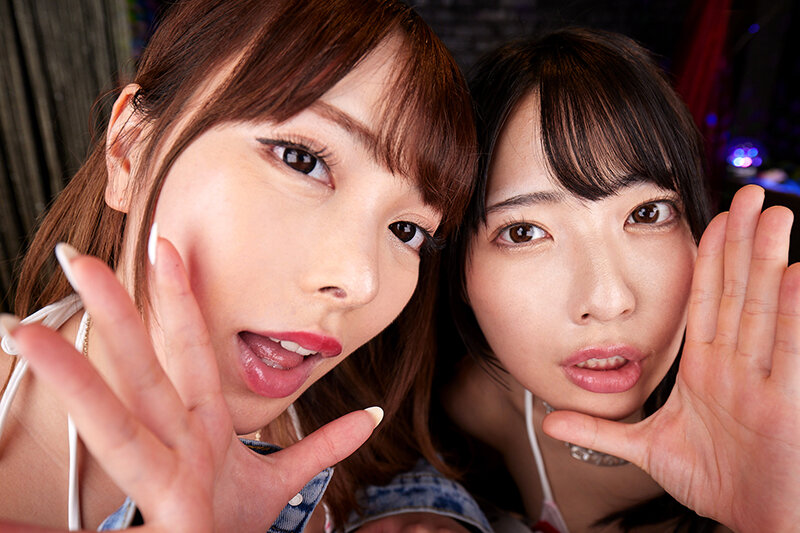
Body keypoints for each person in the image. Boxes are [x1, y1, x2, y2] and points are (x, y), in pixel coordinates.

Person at [0, 0, 480, 531]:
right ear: (130, 148)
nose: (360, 281)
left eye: (407, 230)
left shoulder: (370, 419)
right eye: (301, 160)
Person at [352, 28, 800, 533]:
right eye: (524, 232)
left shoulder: (785, 420)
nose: (608, 300)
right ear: (457, 266)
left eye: (647, 213)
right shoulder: (467, 405)